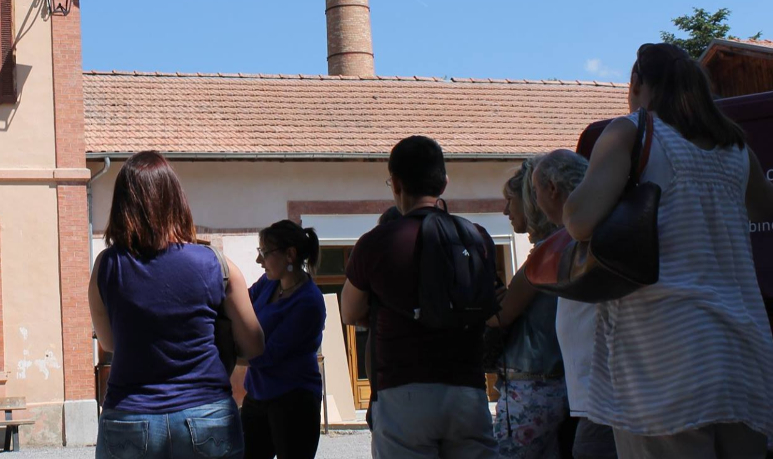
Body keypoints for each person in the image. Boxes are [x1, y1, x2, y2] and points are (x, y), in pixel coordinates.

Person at [564, 42, 773, 458]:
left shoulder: (632, 130)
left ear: (636, 84)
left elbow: (579, 220)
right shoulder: (734, 148)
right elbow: (766, 202)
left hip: (664, 359)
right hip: (741, 350)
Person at [89, 151, 264, 459]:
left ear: (122, 205)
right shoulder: (217, 266)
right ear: (175, 201)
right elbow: (255, 344)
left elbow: (109, 342)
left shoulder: (106, 267)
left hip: (130, 414)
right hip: (207, 413)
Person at [341, 135, 499, 459]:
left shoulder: (376, 243)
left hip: (403, 391)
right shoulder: (478, 237)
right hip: (468, 388)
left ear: (396, 184)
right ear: (444, 183)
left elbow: (349, 312)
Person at [531, 151, 616, 459]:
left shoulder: (583, 232)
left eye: (536, 191)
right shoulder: (589, 229)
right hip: (599, 395)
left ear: (553, 188)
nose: (537, 202)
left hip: (604, 395)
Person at [486, 158, 567, 459]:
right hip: (554, 383)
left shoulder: (543, 256)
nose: (506, 211)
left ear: (531, 202)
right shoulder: (562, 246)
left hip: (531, 386)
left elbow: (499, 316)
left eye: (510, 202)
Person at [242, 220, 327, 459]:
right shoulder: (269, 284)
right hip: (258, 396)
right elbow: (241, 305)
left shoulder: (309, 302)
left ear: (290, 255)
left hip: (294, 401)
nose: (259, 261)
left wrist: (221, 355)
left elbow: (267, 354)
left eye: (265, 253)